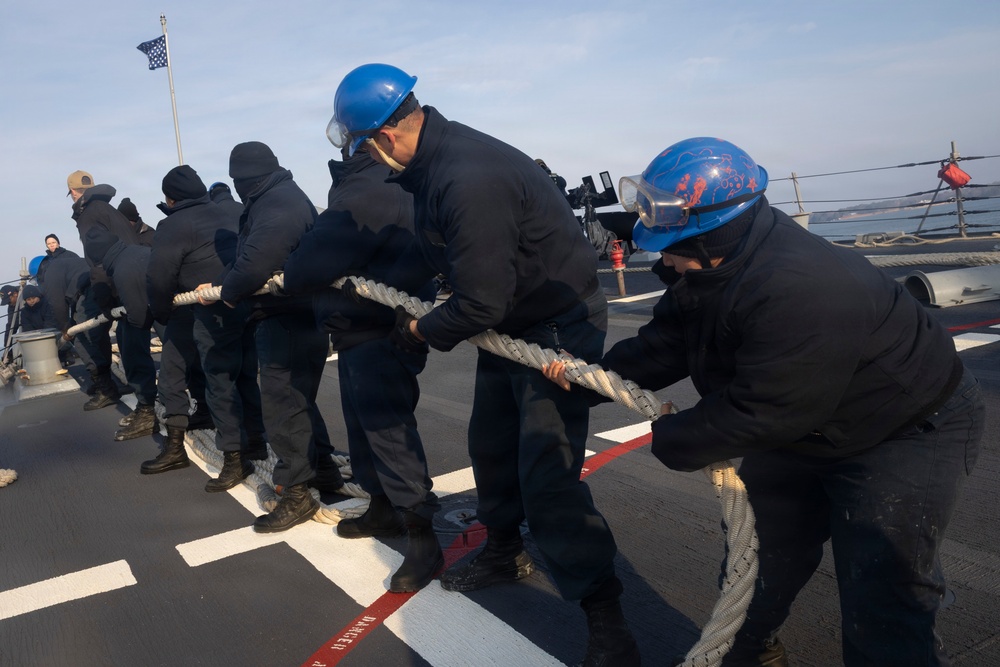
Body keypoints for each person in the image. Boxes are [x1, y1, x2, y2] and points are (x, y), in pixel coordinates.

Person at [543, 137, 986, 667]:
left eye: (671, 245)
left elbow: (765, 411)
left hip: (903, 431)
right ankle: (746, 649)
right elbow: (670, 342)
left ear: (713, 233)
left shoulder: (802, 287)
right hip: (801, 423)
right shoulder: (710, 266)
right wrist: (594, 379)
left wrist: (671, 436)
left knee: (884, 588)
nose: (662, 256)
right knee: (758, 559)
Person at [328, 63, 638, 666]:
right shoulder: (433, 165)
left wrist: (420, 329)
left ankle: (607, 617)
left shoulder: (465, 177)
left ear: (385, 138)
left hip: (555, 326)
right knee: (491, 447)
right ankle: (502, 548)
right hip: (512, 326)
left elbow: (479, 301)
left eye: (365, 144)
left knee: (548, 478)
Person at [283, 147, 439, 592]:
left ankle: (422, 536)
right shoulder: (390, 181)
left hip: (374, 330)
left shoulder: (363, 189)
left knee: (389, 434)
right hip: (370, 328)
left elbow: (303, 267)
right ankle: (383, 508)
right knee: (366, 429)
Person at [199, 141, 343, 532]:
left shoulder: (276, 205)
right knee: (298, 400)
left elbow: (254, 261)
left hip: (287, 319)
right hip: (296, 315)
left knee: (283, 406)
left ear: (246, 180)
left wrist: (227, 292)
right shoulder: (277, 197)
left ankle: (296, 493)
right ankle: (325, 470)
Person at [146, 165, 267, 485]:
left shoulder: (172, 225)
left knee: (198, 379)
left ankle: (226, 456)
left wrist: (162, 314)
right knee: (243, 375)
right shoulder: (228, 212)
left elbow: (159, 277)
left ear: (170, 199)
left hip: (202, 308)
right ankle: (255, 441)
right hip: (242, 301)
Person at [67, 169, 141, 410]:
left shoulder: (88, 214)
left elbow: (97, 260)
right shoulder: (107, 209)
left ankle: (122, 396)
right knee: (131, 338)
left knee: (96, 332)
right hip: (134, 273)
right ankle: (145, 400)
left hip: (118, 282)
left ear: (73, 193)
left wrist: (105, 302)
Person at [83, 228, 159, 441]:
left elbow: (137, 316)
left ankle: (147, 413)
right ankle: (147, 407)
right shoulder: (133, 252)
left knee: (134, 355)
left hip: (149, 313)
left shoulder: (121, 268)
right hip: (158, 309)